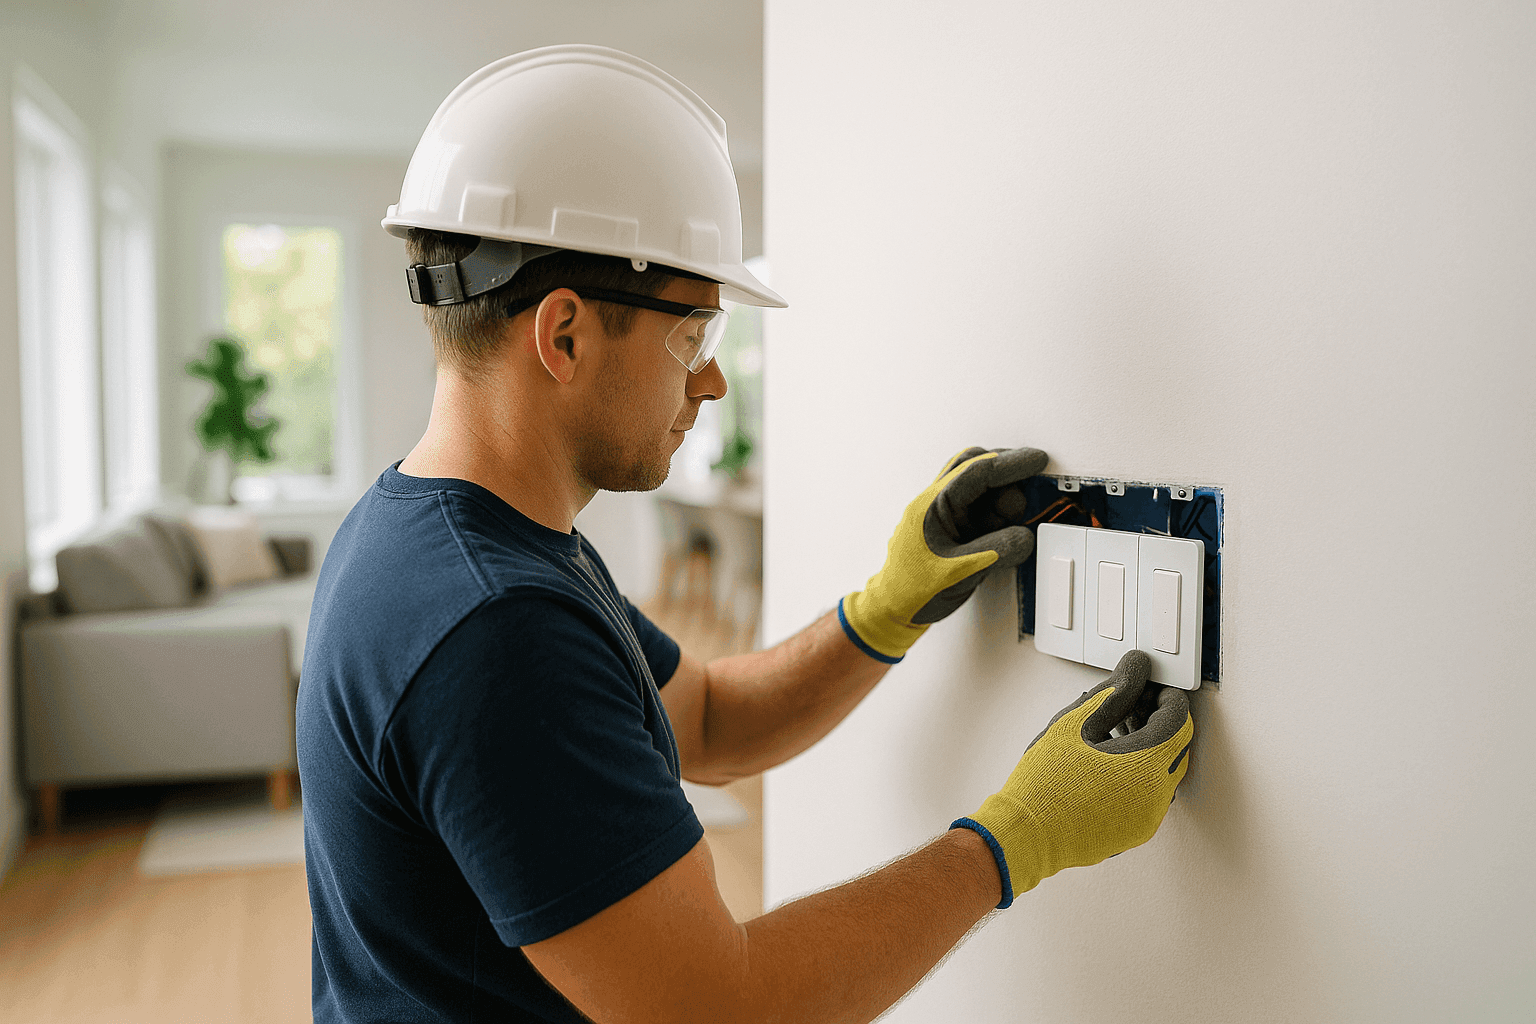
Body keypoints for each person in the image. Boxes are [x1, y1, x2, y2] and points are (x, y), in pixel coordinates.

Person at [296, 44, 1194, 1024]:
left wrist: (886, 607)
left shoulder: (448, 538)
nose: (712, 382)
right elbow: (722, 1008)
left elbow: (710, 719)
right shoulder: (494, 628)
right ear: (564, 335)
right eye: (696, 335)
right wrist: (1023, 832)